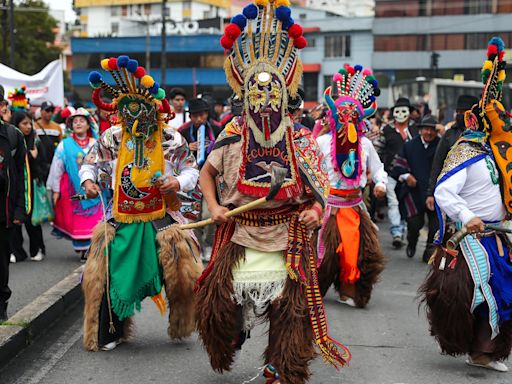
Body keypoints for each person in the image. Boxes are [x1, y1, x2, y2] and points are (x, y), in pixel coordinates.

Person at [196, 3, 350, 383]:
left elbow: (320, 190)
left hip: (287, 232)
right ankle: (232, 335)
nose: (264, 99)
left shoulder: (299, 138)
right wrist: (214, 206)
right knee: (216, 303)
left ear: (285, 94)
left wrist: (315, 212)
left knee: (288, 307)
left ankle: (280, 366)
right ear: (244, 93)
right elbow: (206, 173)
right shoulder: (233, 132)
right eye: (256, 91)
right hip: (240, 228)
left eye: (271, 91)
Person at [81, 55, 202, 352]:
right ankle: (111, 328)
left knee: (183, 272)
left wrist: (178, 182)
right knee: (106, 272)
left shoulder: (171, 138)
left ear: (154, 111)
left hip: (164, 215)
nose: (136, 121)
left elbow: (191, 169)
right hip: (120, 217)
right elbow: (90, 165)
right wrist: (87, 182)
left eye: (142, 114)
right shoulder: (111, 137)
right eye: (129, 114)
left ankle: (182, 321)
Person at [420, 37, 512, 372]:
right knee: (471, 296)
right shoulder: (466, 151)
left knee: (503, 294)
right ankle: (470, 345)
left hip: (499, 237)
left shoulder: (503, 154)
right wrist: (468, 215)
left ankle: (485, 351)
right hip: (469, 238)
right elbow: (444, 192)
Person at [315, 64, 386, 308]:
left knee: (356, 253)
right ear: (334, 117)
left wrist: (381, 184)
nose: (348, 121)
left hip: (354, 205)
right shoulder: (322, 142)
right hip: (328, 206)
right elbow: (309, 168)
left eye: (352, 117)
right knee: (324, 256)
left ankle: (348, 289)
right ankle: (316, 288)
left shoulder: (365, 145)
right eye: (343, 115)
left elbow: (378, 169)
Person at [47, 108, 102, 260]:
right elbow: (56, 167)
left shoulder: (96, 143)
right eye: (75, 121)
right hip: (73, 190)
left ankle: (93, 248)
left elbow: (104, 165)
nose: (78, 123)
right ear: (71, 125)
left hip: (95, 190)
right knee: (78, 221)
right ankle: (84, 249)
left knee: (96, 220)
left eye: (81, 121)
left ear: (88, 124)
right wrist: (55, 190)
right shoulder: (64, 144)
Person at [392, 115, 440, 262]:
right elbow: (398, 165)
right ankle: (412, 241)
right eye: (426, 129)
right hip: (415, 192)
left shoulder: (441, 145)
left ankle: (428, 252)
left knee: (434, 227)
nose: (429, 133)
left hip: (436, 192)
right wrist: (407, 176)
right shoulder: (410, 146)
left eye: (432, 130)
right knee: (414, 224)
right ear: (420, 130)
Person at [425, 94, 479, 211]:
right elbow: (437, 164)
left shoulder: (484, 136)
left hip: (477, 193)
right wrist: (431, 192)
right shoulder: (449, 135)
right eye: (458, 111)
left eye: (464, 111)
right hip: (453, 192)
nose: (460, 115)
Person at [0, 85, 27, 321]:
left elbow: (21, 175)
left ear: (2, 107)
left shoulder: (13, 135)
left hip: (4, 213)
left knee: (1, 263)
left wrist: (20, 209)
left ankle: (1, 306)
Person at [379, 97, 418, 248]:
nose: (401, 114)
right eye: (398, 111)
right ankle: (397, 232)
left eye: (404, 111)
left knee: (407, 203)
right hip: (390, 172)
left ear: (409, 113)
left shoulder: (415, 130)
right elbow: (379, 150)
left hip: (411, 173)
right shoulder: (386, 130)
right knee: (393, 202)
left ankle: (406, 229)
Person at [9, 111, 47, 263]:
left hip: (31, 186)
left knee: (32, 220)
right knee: (14, 221)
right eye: (24, 123)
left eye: (30, 123)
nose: (28, 127)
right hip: (15, 185)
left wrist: (33, 159)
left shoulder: (35, 141)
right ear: (16, 125)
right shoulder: (11, 141)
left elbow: (44, 163)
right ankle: (17, 252)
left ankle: (37, 249)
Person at [34, 101, 63, 183]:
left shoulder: (57, 127)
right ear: (41, 111)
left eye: (52, 111)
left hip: (53, 164)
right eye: (47, 110)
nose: (50, 113)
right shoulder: (34, 126)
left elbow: (61, 146)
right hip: (39, 165)